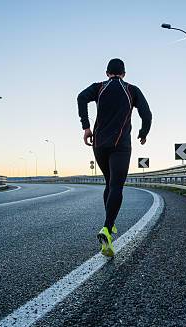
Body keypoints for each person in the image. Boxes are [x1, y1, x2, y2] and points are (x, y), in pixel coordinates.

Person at [77, 58, 152, 257]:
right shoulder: (131, 90)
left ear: (107, 72)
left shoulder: (99, 87)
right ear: (124, 73)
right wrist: (144, 132)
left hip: (99, 144)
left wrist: (86, 127)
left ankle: (109, 224)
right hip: (121, 146)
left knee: (109, 184)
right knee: (117, 186)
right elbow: (147, 113)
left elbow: (80, 97)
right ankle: (107, 229)